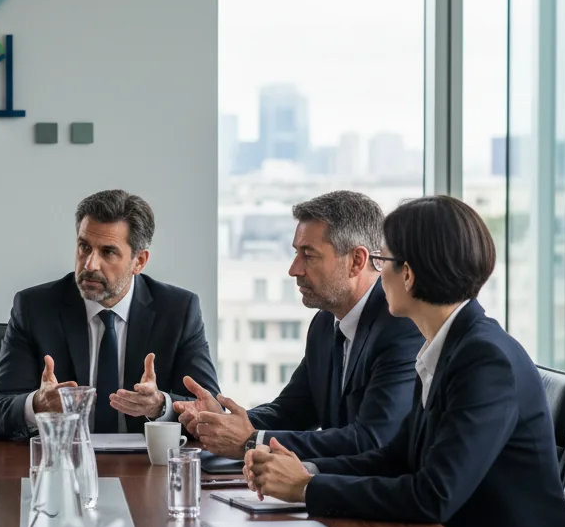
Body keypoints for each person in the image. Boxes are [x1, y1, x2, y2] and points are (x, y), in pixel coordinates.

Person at [246, 196, 565, 527]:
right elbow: (396, 457)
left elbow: (433, 494)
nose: (376, 273)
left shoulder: (485, 360)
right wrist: (305, 469)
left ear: (408, 274)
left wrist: (308, 488)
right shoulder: (447, 347)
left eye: (383, 261)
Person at [178, 191, 421, 461]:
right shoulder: (325, 323)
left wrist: (250, 440)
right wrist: (222, 422)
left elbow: (371, 439)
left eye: (309, 255)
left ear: (356, 261)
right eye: (296, 253)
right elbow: (292, 411)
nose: (294, 269)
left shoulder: (400, 328)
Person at [0, 189, 220, 440]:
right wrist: (38, 405)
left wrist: (161, 405)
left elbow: (212, 409)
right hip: (65, 465)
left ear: (139, 261)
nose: (89, 265)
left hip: (146, 469)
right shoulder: (35, 308)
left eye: (108, 252)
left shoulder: (178, 311)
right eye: (84, 247)